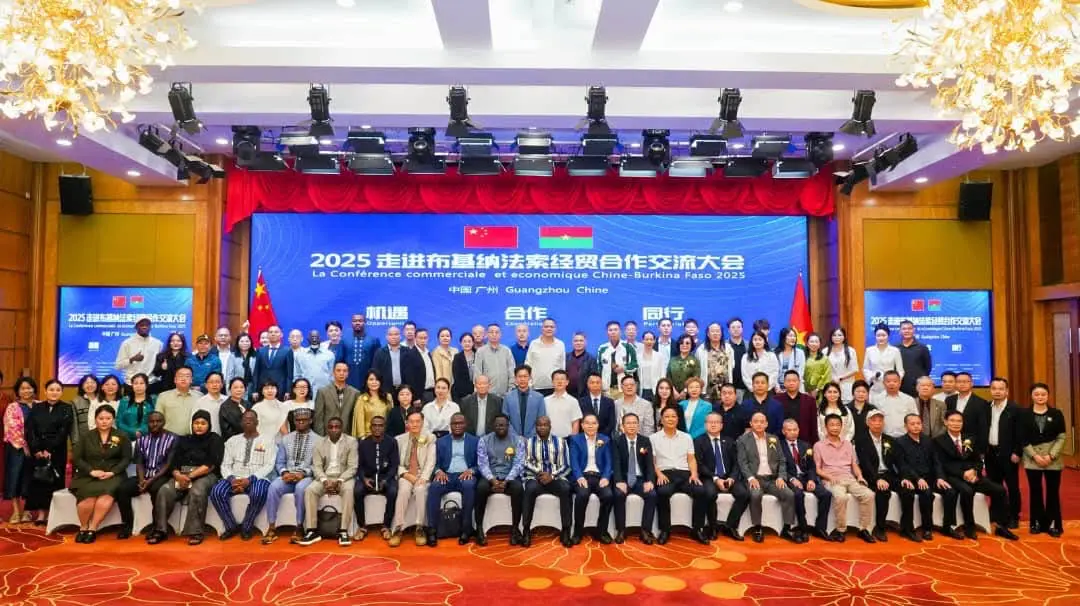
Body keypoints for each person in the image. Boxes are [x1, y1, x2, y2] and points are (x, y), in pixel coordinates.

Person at [932, 410, 1018, 540]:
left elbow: (978, 460)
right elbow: (943, 464)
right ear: (945, 422)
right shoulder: (938, 441)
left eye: (959, 421)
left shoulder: (970, 439)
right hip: (953, 477)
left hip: (973, 475)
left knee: (1000, 490)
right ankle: (969, 527)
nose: (956, 424)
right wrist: (963, 474)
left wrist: (974, 471)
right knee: (967, 491)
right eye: (952, 420)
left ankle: (1001, 526)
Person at [149, 410, 222, 545]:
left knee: (197, 490)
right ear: (192, 424)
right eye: (196, 423)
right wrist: (178, 475)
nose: (199, 426)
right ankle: (160, 530)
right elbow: (173, 462)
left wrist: (189, 477)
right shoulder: (184, 439)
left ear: (209, 425)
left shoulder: (214, 439)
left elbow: (211, 464)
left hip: (205, 475)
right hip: (182, 475)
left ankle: (196, 532)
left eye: (203, 423)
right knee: (165, 490)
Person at [210, 409, 276, 541]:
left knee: (258, 492)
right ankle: (231, 526)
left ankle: (247, 526)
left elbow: (269, 465)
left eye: (251, 419)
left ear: (257, 422)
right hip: (234, 477)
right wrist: (232, 479)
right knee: (217, 492)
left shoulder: (268, 440)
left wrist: (250, 479)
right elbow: (225, 465)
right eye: (245, 419)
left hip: (257, 478)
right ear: (241, 422)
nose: (248, 421)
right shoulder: (232, 441)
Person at [70, 405, 131, 543]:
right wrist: (91, 471)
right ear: (95, 419)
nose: (104, 421)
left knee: (106, 497)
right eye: (101, 418)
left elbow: (126, 459)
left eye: (108, 418)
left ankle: (92, 528)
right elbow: (77, 458)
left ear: (113, 420)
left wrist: (113, 472)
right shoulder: (86, 436)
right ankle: (83, 527)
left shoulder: (122, 436)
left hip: (113, 475)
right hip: (89, 475)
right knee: (88, 499)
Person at [736, 411, 798, 543]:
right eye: (756, 422)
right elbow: (742, 463)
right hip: (755, 478)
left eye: (762, 422)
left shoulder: (773, 439)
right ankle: (757, 528)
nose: (759, 424)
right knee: (755, 495)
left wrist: (781, 477)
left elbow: (782, 460)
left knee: (789, 494)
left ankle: (787, 528)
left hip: (772, 479)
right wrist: (750, 478)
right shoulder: (743, 440)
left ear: (766, 424)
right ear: (751, 423)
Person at [813, 414, 875, 543]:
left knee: (869, 495)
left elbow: (854, 464)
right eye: (832, 425)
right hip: (832, 479)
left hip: (849, 478)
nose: (835, 427)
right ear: (825, 427)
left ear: (842, 427)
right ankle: (841, 530)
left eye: (838, 425)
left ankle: (864, 529)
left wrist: (860, 476)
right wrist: (829, 476)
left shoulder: (848, 444)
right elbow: (818, 469)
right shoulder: (818, 445)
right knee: (841, 497)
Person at [297, 416, 358, 547]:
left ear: (342, 428)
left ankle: (343, 531)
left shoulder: (351, 442)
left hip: (344, 477)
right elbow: (316, 466)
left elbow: (352, 467)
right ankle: (312, 530)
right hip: (325, 477)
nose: (334, 430)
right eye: (331, 427)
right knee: (310, 490)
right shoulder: (319, 443)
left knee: (348, 490)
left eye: (337, 427)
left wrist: (340, 481)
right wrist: (325, 481)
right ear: (327, 429)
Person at [114, 410, 175, 539]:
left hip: (162, 476)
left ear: (164, 422)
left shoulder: (172, 439)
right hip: (144, 476)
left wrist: (150, 481)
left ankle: (156, 526)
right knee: (122, 489)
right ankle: (127, 525)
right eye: (152, 421)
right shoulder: (142, 440)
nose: (155, 424)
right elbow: (139, 463)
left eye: (158, 421)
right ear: (147, 423)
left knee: (156, 489)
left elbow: (168, 465)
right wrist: (142, 480)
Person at [650, 406, 706, 545]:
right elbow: (652, 461)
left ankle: (697, 529)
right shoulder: (653, 438)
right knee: (663, 492)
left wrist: (694, 474)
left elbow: (691, 459)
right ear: (661, 420)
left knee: (700, 491)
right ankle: (665, 530)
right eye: (667, 416)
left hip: (685, 473)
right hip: (665, 474)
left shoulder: (686, 437)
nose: (670, 419)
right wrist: (659, 474)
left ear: (678, 419)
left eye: (673, 416)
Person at [262, 408, 315, 544]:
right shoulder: (286, 439)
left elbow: (317, 465)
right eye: (298, 420)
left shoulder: (319, 440)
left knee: (301, 489)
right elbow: (280, 462)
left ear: (310, 421)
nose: (301, 422)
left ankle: (299, 527)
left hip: (306, 477)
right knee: (273, 487)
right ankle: (272, 527)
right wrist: (285, 473)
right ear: (294, 422)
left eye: (304, 420)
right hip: (288, 475)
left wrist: (303, 474)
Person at [695, 411, 750, 542]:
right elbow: (699, 464)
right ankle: (712, 527)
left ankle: (730, 526)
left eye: (716, 422)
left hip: (728, 476)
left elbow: (736, 463)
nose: (713, 425)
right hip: (709, 477)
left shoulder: (730, 441)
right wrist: (715, 478)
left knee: (744, 494)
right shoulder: (698, 441)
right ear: (705, 425)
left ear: (721, 425)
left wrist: (732, 477)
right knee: (709, 494)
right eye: (710, 422)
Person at [426, 413, 479, 546]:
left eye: (460, 423)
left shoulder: (475, 441)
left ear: (465, 425)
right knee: (434, 487)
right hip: (447, 475)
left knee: (469, 486)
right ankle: (432, 529)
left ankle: (466, 530)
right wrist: (438, 471)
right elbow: (433, 462)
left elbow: (481, 464)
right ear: (450, 426)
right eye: (454, 423)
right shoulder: (441, 442)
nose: (457, 426)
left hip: (465, 475)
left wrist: (472, 471)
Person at [25, 379, 73, 525]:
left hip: (57, 451)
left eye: (58, 390)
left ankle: (53, 514)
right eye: (51, 389)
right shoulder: (37, 407)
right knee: (39, 481)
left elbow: (63, 432)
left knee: (54, 481)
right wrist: (36, 449)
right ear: (45, 391)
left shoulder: (66, 408)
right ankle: (41, 514)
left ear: (62, 392)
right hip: (38, 452)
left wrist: (49, 449)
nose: (54, 392)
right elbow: (30, 429)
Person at [1021, 382, 1065, 537]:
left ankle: (1053, 524)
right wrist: (1035, 456)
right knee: (1035, 491)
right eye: (1036, 394)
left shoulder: (1057, 413)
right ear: (1031, 396)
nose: (1040, 397)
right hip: (1032, 459)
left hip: (1053, 459)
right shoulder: (1024, 414)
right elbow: (1022, 438)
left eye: (1043, 394)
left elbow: (1061, 437)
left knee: (1053, 492)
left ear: (1048, 395)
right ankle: (1036, 523)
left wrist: (1051, 455)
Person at [521, 415, 572, 547]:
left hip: (555, 478)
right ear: (535, 427)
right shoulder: (528, 442)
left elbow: (566, 465)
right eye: (539, 425)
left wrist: (552, 476)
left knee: (566, 489)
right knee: (529, 489)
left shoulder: (561, 442)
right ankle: (526, 530)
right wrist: (539, 473)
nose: (542, 428)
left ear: (550, 427)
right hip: (535, 477)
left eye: (545, 425)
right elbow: (525, 463)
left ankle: (566, 530)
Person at [475, 414, 526, 546]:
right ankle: (479, 529)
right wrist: (492, 480)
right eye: (497, 425)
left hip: (509, 477)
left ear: (508, 426)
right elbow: (482, 464)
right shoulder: (484, 440)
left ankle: (515, 529)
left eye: (503, 425)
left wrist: (507, 481)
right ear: (493, 426)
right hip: (490, 476)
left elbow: (519, 464)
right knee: (480, 488)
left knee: (518, 489)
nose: (500, 427)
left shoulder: (518, 440)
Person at [779, 419, 831, 542]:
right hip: (791, 478)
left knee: (826, 494)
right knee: (798, 494)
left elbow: (812, 466)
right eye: (789, 430)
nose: (793, 432)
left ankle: (820, 528)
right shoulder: (779, 446)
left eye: (795, 429)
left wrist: (812, 479)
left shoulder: (806, 445)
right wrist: (792, 479)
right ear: (783, 431)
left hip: (806, 477)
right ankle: (803, 527)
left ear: (799, 430)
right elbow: (778, 467)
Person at [391, 411, 435, 547]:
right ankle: (398, 528)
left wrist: (424, 477)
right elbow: (395, 462)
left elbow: (431, 461)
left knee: (421, 490)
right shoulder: (399, 439)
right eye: (411, 421)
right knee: (403, 490)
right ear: (407, 423)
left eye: (417, 421)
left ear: (422, 423)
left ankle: (419, 527)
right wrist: (405, 474)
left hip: (422, 474)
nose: (414, 424)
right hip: (405, 473)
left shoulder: (430, 438)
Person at [893, 413, 940, 542]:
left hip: (927, 478)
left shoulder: (928, 440)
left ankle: (927, 529)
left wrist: (940, 477)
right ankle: (907, 529)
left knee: (929, 493)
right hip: (908, 477)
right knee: (908, 493)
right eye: (912, 424)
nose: (916, 426)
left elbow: (936, 461)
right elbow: (902, 464)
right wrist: (917, 478)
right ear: (906, 426)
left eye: (918, 423)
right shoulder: (899, 442)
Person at [612, 412, 657, 544]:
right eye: (628, 423)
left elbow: (649, 464)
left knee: (652, 494)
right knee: (618, 495)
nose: (631, 426)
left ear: (638, 425)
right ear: (623, 426)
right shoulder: (617, 441)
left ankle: (645, 530)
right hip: (624, 478)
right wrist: (619, 481)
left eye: (634, 423)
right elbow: (616, 463)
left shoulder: (645, 441)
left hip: (640, 479)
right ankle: (621, 530)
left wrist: (650, 481)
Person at [569, 414, 614, 545]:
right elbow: (574, 461)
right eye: (587, 423)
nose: (590, 426)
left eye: (594, 423)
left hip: (599, 476)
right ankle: (578, 532)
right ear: (582, 425)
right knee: (582, 495)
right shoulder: (575, 439)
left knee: (608, 495)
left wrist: (606, 477)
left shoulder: (605, 439)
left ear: (598, 425)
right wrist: (579, 476)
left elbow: (608, 462)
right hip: (583, 475)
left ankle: (602, 531)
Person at [855, 410, 899, 542]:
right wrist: (877, 479)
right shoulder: (861, 440)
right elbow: (865, 464)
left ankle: (907, 527)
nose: (877, 423)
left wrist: (906, 478)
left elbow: (898, 461)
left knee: (907, 489)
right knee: (883, 492)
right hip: (871, 475)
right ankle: (880, 528)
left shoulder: (889, 440)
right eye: (874, 420)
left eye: (880, 421)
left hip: (888, 474)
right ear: (868, 423)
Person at [354, 415, 399, 543]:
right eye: (374, 425)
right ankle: (362, 526)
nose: (377, 428)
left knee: (393, 491)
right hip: (368, 478)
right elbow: (359, 466)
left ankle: (386, 526)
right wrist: (364, 479)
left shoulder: (392, 442)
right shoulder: (363, 443)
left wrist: (387, 479)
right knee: (357, 491)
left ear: (384, 427)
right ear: (370, 427)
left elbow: (394, 465)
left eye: (380, 425)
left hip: (386, 477)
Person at [985, 377, 1022, 529]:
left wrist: (1017, 452)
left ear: (1007, 391)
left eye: (1001, 389)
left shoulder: (1015, 409)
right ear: (990, 390)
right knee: (994, 485)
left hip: (1009, 454)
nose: (997, 392)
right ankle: (996, 512)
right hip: (990, 453)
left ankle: (1014, 515)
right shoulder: (986, 407)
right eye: (994, 388)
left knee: (1012, 486)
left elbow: (1020, 434)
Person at [3, 377, 35, 523]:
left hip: (36, 449)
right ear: (17, 391)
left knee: (31, 479)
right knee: (15, 477)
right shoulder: (12, 407)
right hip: (16, 448)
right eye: (23, 388)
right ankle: (16, 511)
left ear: (34, 389)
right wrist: (24, 445)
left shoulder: (40, 405)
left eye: (29, 388)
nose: (26, 391)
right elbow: (11, 428)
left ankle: (27, 511)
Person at [372, 326, 425, 399]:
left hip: (405, 392)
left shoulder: (409, 352)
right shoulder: (379, 353)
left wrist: (416, 396)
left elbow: (416, 374)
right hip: (386, 391)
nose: (393, 337)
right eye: (391, 334)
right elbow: (375, 373)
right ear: (386, 337)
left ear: (400, 336)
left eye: (396, 334)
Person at [944, 371, 990, 454]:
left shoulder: (981, 403)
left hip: (972, 445)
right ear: (955, 384)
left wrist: (982, 450)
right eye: (959, 382)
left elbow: (983, 429)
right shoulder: (949, 400)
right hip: (951, 443)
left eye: (965, 381)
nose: (962, 384)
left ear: (971, 383)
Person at [597, 321, 639, 400]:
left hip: (624, 390)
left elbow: (635, 365)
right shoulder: (602, 348)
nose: (613, 332)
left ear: (620, 331)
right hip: (607, 390)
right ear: (607, 332)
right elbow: (599, 368)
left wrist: (624, 368)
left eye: (615, 330)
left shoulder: (628, 346)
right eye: (610, 330)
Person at [315, 362, 359, 437]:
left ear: (348, 374)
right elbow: (318, 418)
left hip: (347, 437)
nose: (341, 373)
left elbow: (355, 419)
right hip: (327, 436)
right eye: (338, 370)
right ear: (333, 373)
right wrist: (321, 438)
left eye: (344, 371)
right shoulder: (322, 392)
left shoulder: (355, 393)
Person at [871, 371, 918, 438]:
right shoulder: (876, 400)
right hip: (884, 437)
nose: (891, 384)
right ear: (883, 383)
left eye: (895, 381)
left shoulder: (909, 399)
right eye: (888, 381)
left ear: (900, 383)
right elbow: (873, 420)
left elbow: (914, 419)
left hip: (905, 437)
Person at [114, 316, 163, 383]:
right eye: (141, 325)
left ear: (150, 327)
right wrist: (132, 359)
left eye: (147, 325)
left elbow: (159, 365)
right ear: (136, 327)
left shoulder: (158, 344)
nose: (144, 327)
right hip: (131, 383)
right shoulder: (127, 343)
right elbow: (118, 366)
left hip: (151, 383)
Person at [503, 365, 546, 438]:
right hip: (512, 438)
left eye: (525, 376)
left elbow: (541, 419)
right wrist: (515, 436)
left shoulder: (539, 397)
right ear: (515, 378)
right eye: (520, 376)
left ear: (530, 377)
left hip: (533, 438)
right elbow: (505, 420)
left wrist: (530, 436)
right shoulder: (508, 397)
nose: (522, 379)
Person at [776, 370, 818, 444]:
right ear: (784, 383)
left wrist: (814, 443)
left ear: (799, 382)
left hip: (805, 441)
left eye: (794, 381)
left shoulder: (809, 400)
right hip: (782, 442)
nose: (791, 383)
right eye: (788, 381)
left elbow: (813, 425)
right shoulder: (776, 400)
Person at [525, 318, 565, 396]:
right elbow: (528, 364)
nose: (549, 329)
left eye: (551, 327)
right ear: (542, 328)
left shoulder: (560, 345)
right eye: (546, 326)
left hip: (555, 388)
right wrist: (529, 384)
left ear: (555, 329)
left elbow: (562, 367)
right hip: (535, 388)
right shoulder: (534, 344)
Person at [338, 314, 380, 389]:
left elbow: (377, 362)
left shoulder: (373, 340)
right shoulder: (344, 340)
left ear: (365, 322)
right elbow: (339, 361)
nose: (357, 323)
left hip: (368, 381)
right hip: (348, 380)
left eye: (360, 321)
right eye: (355, 321)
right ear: (351, 323)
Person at [863, 324, 904, 397]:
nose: (881, 338)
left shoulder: (895, 351)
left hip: (891, 387)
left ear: (888, 336)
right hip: (875, 387)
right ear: (875, 336)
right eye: (878, 335)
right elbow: (865, 369)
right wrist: (872, 376)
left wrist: (895, 382)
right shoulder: (869, 350)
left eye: (883, 335)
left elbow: (900, 371)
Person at [697, 322, 735, 402]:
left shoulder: (728, 348)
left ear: (721, 333)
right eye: (712, 331)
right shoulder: (701, 349)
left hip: (725, 390)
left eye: (718, 331)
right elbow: (698, 369)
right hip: (707, 390)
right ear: (708, 334)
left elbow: (732, 366)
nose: (715, 333)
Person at [474, 324, 515, 395]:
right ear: (487, 334)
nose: (494, 334)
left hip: (505, 394)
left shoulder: (506, 351)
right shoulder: (481, 352)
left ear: (500, 334)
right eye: (491, 332)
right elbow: (478, 373)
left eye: (497, 332)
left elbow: (511, 371)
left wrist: (511, 389)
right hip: (487, 395)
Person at [348, 370, 390, 439]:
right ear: (366, 382)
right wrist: (363, 438)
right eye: (371, 379)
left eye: (377, 379)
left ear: (380, 382)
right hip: (368, 437)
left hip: (384, 436)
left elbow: (390, 418)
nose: (374, 382)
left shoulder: (388, 397)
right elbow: (359, 421)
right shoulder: (362, 399)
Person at [157, 367, 198, 437]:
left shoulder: (199, 397)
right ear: (175, 380)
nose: (183, 379)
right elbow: (158, 420)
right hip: (169, 438)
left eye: (187, 376)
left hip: (192, 438)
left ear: (191, 380)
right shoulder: (163, 396)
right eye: (180, 376)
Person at [254, 326, 293, 396]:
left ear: (281, 334)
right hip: (263, 388)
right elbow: (256, 372)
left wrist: (288, 391)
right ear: (268, 335)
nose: (273, 334)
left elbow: (289, 374)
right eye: (270, 332)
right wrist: (255, 390)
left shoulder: (287, 351)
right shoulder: (260, 351)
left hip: (280, 389)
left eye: (276, 332)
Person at [741, 372, 784, 437]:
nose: (760, 385)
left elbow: (780, 427)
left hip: (772, 440)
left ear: (768, 385)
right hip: (750, 441)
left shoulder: (777, 405)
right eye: (757, 383)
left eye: (763, 383)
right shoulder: (745, 405)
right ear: (752, 385)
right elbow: (742, 426)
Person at [545, 370, 583, 438]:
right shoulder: (545, 400)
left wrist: (573, 440)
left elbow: (575, 423)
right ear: (552, 382)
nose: (559, 382)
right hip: (549, 439)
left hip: (567, 439)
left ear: (567, 382)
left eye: (562, 379)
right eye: (557, 379)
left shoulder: (573, 401)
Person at [117, 373, 156, 441]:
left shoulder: (154, 400)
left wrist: (142, 431)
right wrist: (133, 431)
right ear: (132, 385)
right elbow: (119, 422)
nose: (138, 386)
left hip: (150, 438)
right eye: (135, 383)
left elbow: (157, 420)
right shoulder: (125, 401)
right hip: (128, 438)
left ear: (146, 385)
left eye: (141, 383)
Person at [897, 320, 931, 397]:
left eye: (909, 328)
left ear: (913, 330)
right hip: (900, 387)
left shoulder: (922, 348)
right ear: (900, 331)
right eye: (904, 329)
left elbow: (927, 368)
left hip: (917, 387)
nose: (907, 331)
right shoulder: (895, 348)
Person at [295, 329, 335, 393]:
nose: (314, 339)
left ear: (320, 339)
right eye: (312, 337)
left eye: (316, 337)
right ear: (308, 339)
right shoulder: (300, 355)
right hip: (306, 391)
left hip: (325, 390)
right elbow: (297, 375)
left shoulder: (329, 354)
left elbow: (332, 375)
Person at [579, 371, 617, 437]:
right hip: (586, 437)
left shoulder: (609, 402)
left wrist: (601, 437)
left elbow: (611, 423)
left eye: (598, 382)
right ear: (587, 384)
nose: (595, 385)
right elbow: (580, 422)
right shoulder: (581, 402)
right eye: (592, 382)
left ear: (601, 384)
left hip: (605, 438)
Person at [827, 328, 860, 402]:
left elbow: (855, 369)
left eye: (840, 335)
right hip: (831, 384)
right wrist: (833, 378)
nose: (837, 337)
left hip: (847, 385)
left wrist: (840, 378)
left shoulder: (851, 351)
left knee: (846, 406)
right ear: (831, 337)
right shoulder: (825, 351)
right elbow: (824, 369)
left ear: (844, 337)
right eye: (834, 335)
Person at [666, 334, 701, 399]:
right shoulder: (672, 360)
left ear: (691, 345)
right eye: (681, 343)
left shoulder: (695, 361)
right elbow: (668, 377)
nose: (684, 345)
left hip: (689, 395)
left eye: (687, 343)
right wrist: (673, 390)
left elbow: (695, 378)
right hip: (672, 394)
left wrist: (685, 391)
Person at [70, 374, 100, 447]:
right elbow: (74, 425)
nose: (90, 385)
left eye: (92, 382)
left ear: (97, 384)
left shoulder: (103, 400)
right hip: (84, 439)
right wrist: (75, 443)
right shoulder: (75, 402)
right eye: (86, 383)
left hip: (103, 439)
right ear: (82, 386)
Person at [774, 327, 806, 391]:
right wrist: (777, 387)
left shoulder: (800, 353)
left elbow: (800, 372)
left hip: (795, 387)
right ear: (783, 337)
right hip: (779, 388)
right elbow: (773, 372)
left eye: (794, 336)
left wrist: (793, 387)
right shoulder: (775, 353)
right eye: (790, 336)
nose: (793, 338)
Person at [219, 377, 250, 442]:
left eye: (241, 387)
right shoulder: (225, 407)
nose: (239, 390)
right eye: (235, 387)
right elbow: (226, 430)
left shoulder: (248, 404)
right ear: (230, 390)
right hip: (232, 442)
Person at [565, 332, 596, 398]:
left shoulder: (591, 359)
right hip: (566, 394)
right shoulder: (566, 357)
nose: (578, 343)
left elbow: (593, 380)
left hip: (583, 395)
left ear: (585, 342)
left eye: (581, 341)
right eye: (576, 341)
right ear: (572, 343)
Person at [637, 331, 665, 400]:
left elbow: (663, 374)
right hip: (642, 390)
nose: (649, 341)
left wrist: (662, 389)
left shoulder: (659, 356)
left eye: (651, 339)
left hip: (656, 389)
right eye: (646, 339)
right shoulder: (638, 356)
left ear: (654, 341)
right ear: (643, 341)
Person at [229, 332, 258, 397]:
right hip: (237, 387)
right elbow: (229, 375)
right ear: (238, 343)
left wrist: (256, 390)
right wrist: (229, 392)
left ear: (251, 342)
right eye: (242, 341)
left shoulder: (256, 355)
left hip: (252, 388)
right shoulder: (232, 356)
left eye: (247, 341)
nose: (244, 343)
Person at [414, 328, 438, 403]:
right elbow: (410, 378)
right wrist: (415, 397)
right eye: (420, 338)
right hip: (420, 394)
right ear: (415, 338)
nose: (423, 340)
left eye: (425, 338)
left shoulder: (428, 353)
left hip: (432, 392)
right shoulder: (411, 354)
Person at [450, 333, 476, 402]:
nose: (467, 343)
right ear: (461, 343)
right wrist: (467, 394)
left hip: (477, 391)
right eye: (464, 341)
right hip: (461, 393)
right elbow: (457, 377)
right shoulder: (457, 357)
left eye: (469, 341)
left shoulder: (478, 355)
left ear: (473, 343)